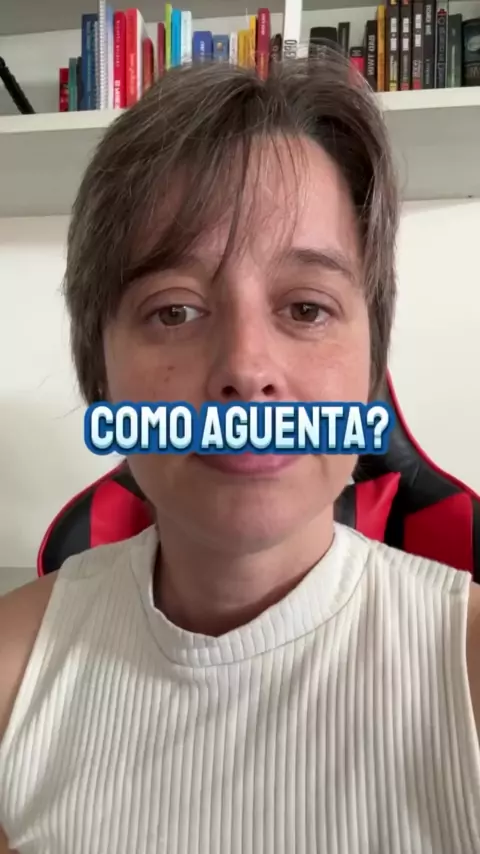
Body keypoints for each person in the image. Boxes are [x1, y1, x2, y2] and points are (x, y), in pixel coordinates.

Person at [0, 55, 479, 854]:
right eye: (175, 311)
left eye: (307, 308)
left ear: (369, 370)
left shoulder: (464, 668)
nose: (247, 370)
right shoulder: (15, 670)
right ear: (101, 374)